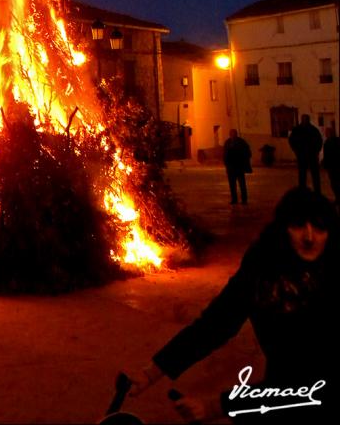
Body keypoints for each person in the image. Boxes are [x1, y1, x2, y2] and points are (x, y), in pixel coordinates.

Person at [126, 188, 340, 423]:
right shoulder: (262, 269)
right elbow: (216, 323)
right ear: (282, 229)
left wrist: (218, 406)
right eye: (298, 225)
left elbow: (310, 376)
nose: (309, 237)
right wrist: (151, 373)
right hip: (281, 391)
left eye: (320, 228)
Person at [288, 114, 323, 193]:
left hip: (311, 155)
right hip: (303, 155)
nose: (305, 121)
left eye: (306, 119)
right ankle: (303, 190)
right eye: (304, 119)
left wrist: (316, 151)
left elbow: (319, 141)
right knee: (303, 175)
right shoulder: (298, 130)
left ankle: (316, 191)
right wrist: (296, 151)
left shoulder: (313, 130)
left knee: (314, 175)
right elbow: (291, 141)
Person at [223, 129, 251, 205]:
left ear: (236, 134)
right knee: (232, 185)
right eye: (231, 134)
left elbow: (247, 153)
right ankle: (234, 199)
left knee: (242, 184)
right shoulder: (228, 142)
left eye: (233, 134)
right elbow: (225, 154)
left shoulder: (241, 142)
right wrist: (226, 164)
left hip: (239, 167)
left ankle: (244, 199)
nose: (232, 135)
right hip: (231, 167)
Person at [321, 126, 340, 205]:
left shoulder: (328, 143)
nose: (325, 134)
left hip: (333, 166)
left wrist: (324, 163)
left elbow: (327, 155)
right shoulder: (337, 141)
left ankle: (338, 198)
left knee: (335, 183)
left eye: (327, 132)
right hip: (335, 165)